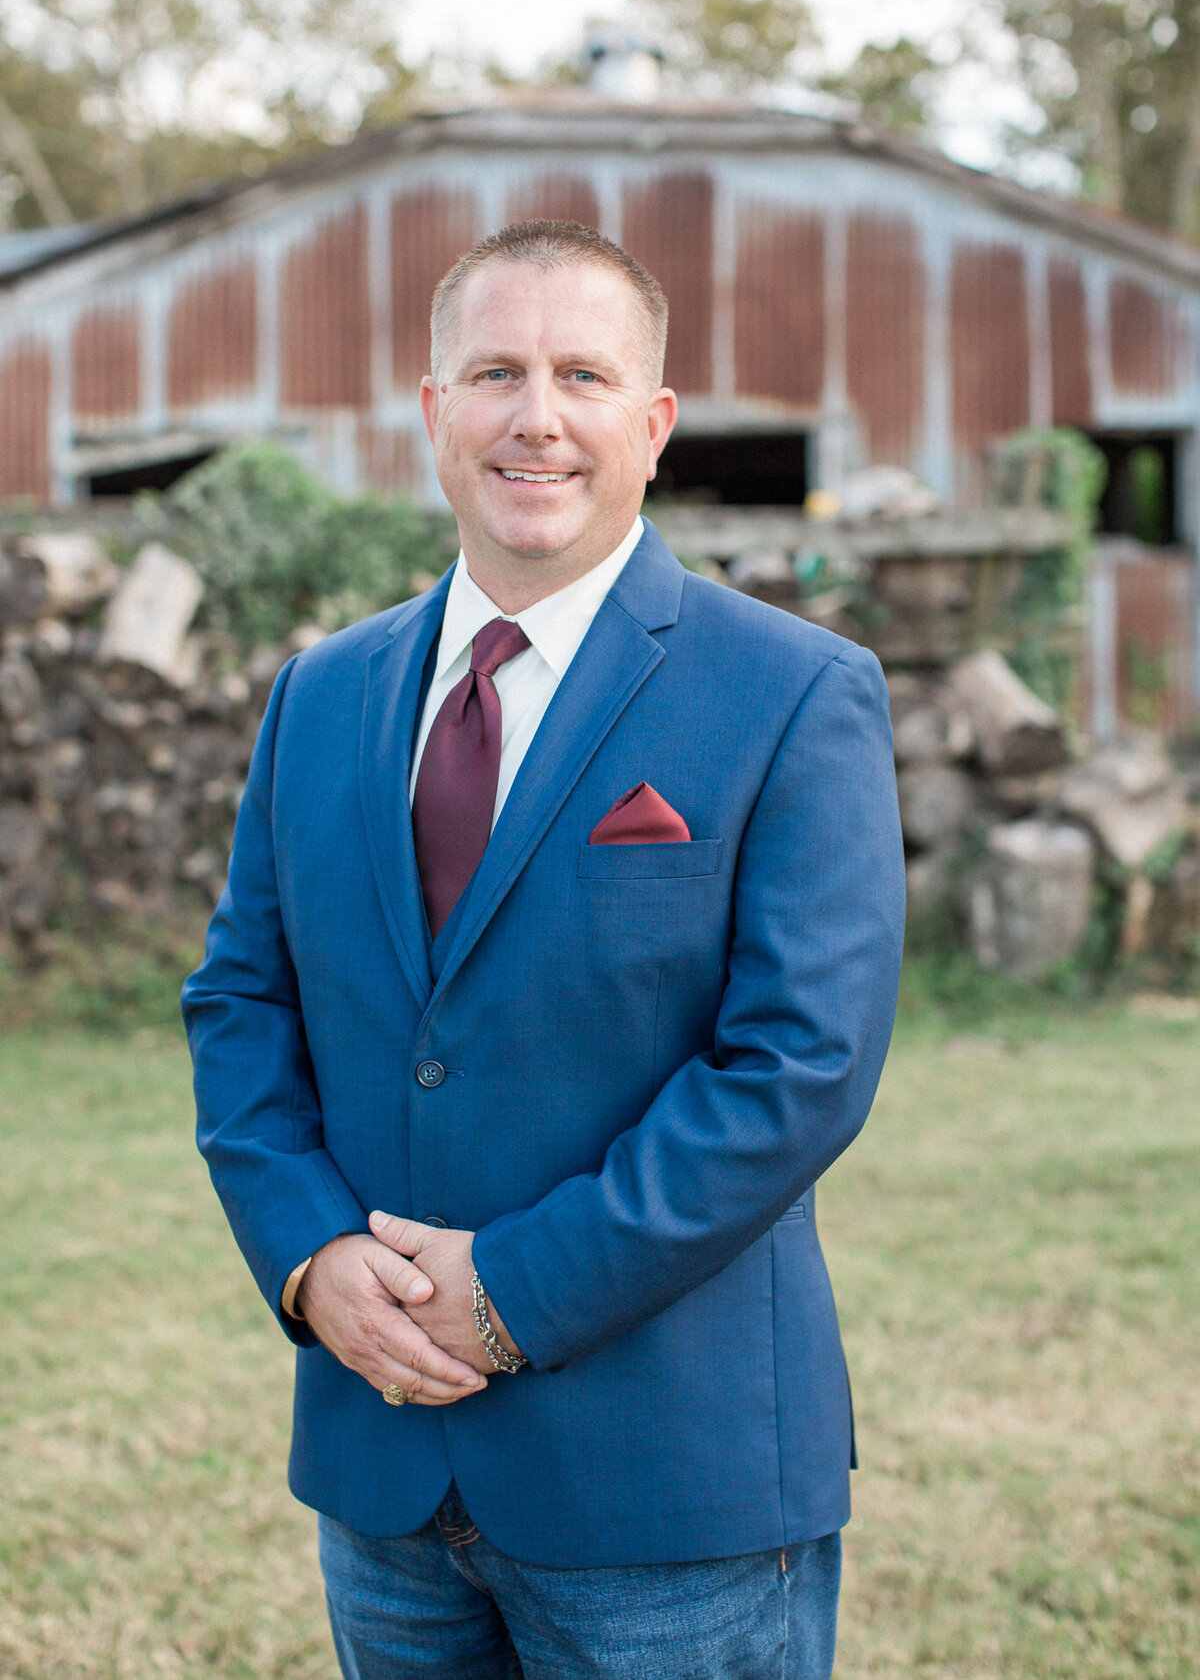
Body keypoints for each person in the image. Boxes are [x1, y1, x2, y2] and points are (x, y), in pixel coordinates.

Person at [184, 219, 905, 1680]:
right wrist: (311, 1258)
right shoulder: (321, 694)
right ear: (434, 412)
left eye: (583, 375)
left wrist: (516, 1290)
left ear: (652, 426)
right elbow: (242, 1003)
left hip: (670, 1488)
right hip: (383, 1474)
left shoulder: (795, 693)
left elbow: (798, 1069)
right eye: (495, 371)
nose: (536, 416)